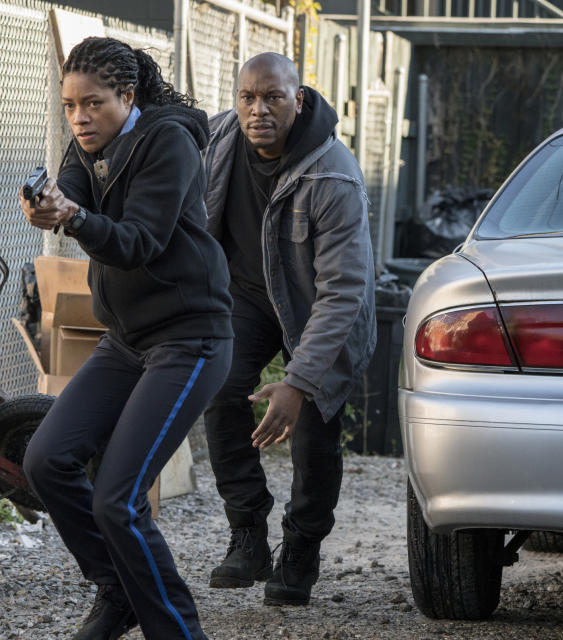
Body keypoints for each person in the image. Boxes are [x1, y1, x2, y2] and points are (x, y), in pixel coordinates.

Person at [20, 37, 233, 640]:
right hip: (127, 340)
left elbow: (137, 241)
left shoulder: (168, 141)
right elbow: (72, 194)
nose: (79, 118)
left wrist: (73, 218)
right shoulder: (87, 145)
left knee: (118, 498)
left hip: (190, 340)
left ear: (127, 96)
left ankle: (178, 631)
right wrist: (48, 207)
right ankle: (117, 589)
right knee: (45, 459)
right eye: (68, 106)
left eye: (92, 104)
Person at [202, 52, 377, 607]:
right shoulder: (218, 139)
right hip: (249, 294)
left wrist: (298, 384)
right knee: (219, 385)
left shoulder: (334, 174)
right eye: (248, 97)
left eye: (273, 97)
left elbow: (343, 292)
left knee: (315, 425)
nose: (258, 110)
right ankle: (247, 530)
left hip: (319, 307)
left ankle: (301, 546)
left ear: (298, 100)